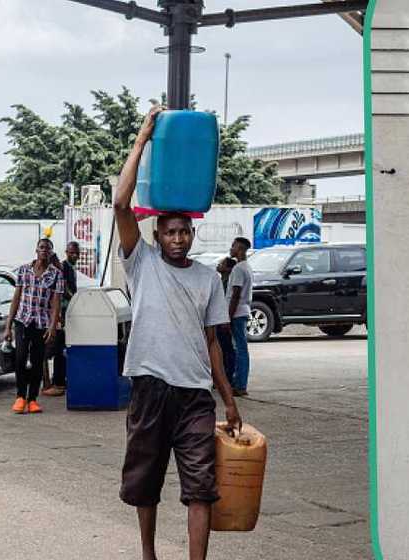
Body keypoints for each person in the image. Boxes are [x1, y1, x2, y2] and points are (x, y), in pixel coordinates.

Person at [114, 105, 241, 560]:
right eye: (169, 232)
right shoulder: (141, 262)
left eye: (184, 232)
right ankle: (148, 554)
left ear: (191, 233)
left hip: (195, 397)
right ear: (157, 235)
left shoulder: (208, 278)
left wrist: (228, 399)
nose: (178, 239)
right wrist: (144, 136)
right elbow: (120, 203)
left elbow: (213, 344)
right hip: (150, 387)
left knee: (201, 488)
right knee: (145, 483)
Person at [4, 238, 64, 415]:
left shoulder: (56, 274)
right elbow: (16, 298)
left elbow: (56, 303)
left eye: (48, 249)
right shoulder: (24, 271)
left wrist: (53, 327)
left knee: (38, 361)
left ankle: (32, 399)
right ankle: (20, 396)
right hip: (23, 320)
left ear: (51, 253)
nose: (45, 251)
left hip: (41, 323)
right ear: (36, 250)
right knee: (20, 358)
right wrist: (8, 325)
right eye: (42, 248)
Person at [44, 242, 80, 396]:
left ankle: (60, 379)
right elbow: (63, 291)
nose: (74, 256)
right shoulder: (63, 268)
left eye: (76, 253)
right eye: (71, 253)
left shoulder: (71, 268)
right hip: (61, 314)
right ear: (66, 252)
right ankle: (57, 380)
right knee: (59, 348)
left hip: (67, 313)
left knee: (64, 348)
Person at [227, 237, 253, 396]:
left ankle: (240, 385)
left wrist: (228, 316)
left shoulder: (238, 269)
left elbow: (235, 294)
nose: (231, 249)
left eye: (233, 246)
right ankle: (239, 382)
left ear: (241, 249)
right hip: (242, 311)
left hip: (237, 313)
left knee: (240, 349)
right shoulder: (246, 267)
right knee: (240, 348)